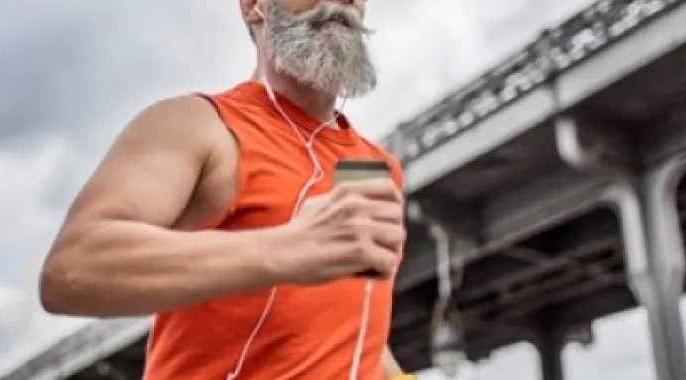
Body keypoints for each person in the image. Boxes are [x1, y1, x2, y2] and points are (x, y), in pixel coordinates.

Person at [39, 0, 415, 379]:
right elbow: (72, 269)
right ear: (255, 6)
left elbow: (349, 320)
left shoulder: (376, 166)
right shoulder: (198, 125)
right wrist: (289, 248)